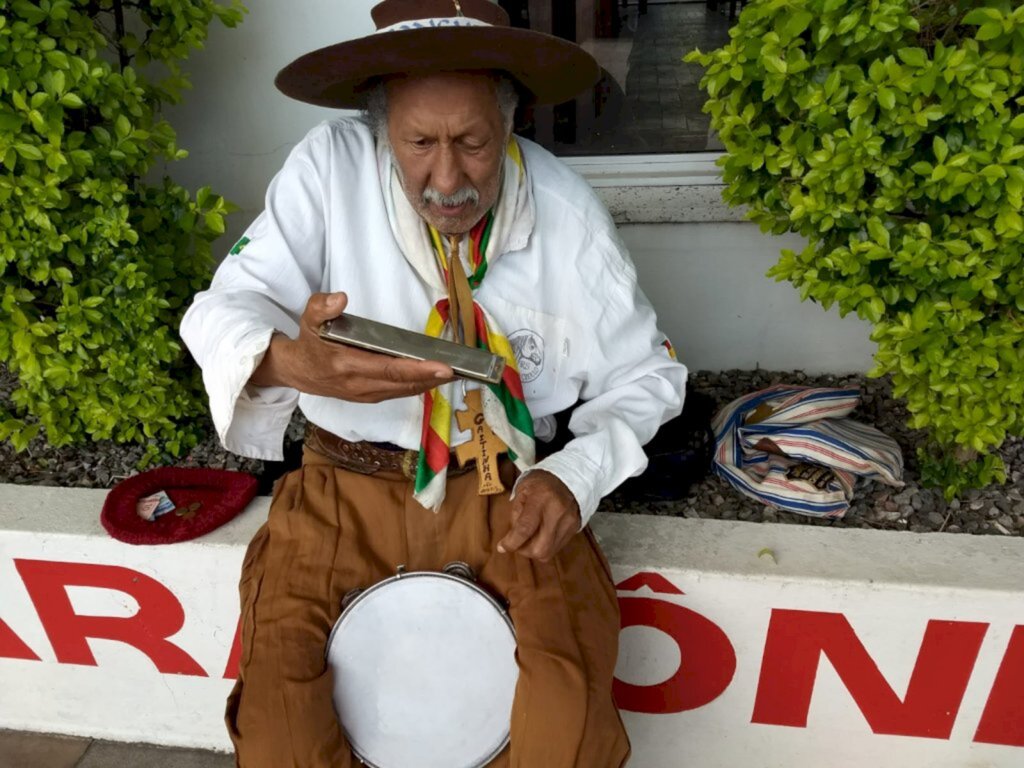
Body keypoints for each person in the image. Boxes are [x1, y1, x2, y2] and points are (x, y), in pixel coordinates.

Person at [180, 1, 687, 766]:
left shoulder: (565, 210)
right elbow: (223, 308)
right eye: (419, 142)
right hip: (342, 489)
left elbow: (647, 373)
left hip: (508, 494)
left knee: (567, 733)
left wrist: (574, 476)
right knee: (282, 735)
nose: (447, 177)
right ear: (382, 127)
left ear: (508, 121)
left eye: (472, 142)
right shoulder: (329, 167)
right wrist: (292, 362)